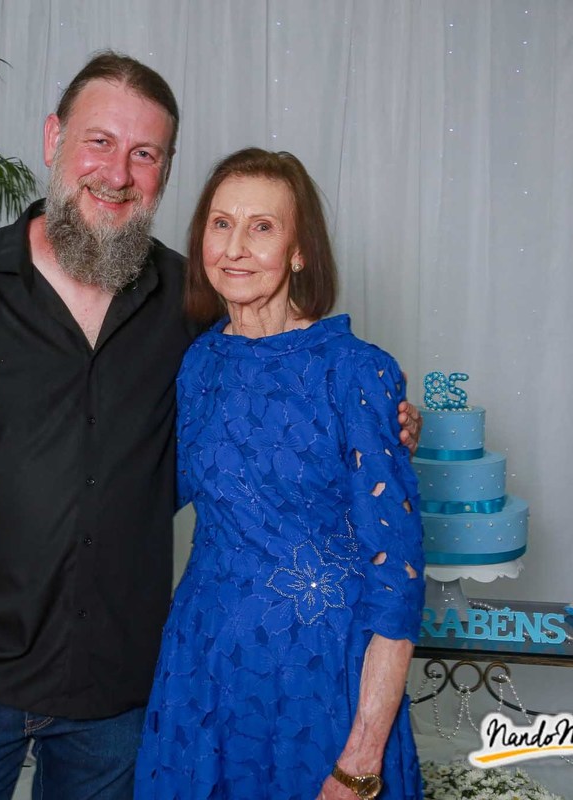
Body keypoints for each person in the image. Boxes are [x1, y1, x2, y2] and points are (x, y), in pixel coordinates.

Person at [0, 52, 420, 799]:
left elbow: (275, 401)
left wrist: (380, 428)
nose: (118, 173)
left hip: (124, 691)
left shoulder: (192, 305)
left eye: (145, 154)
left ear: (165, 169)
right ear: (54, 138)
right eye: (100, 142)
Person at [134, 148, 425, 800]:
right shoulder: (199, 364)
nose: (235, 247)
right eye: (221, 224)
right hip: (204, 671)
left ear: (299, 252)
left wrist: (362, 756)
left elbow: (398, 585)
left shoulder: (356, 371)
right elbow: (151, 492)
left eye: (262, 227)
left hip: (319, 679)